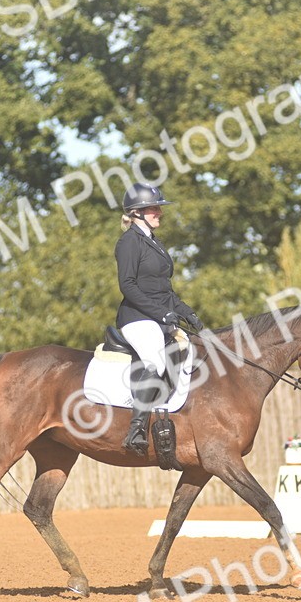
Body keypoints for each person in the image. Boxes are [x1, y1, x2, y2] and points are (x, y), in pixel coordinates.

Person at [115, 182, 204, 456]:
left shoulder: (155, 243)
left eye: (158, 208)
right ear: (138, 212)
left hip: (158, 316)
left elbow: (164, 289)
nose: (159, 213)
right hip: (137, 319)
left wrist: (186, 311)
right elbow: (128, 285)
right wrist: (161, 313)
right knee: (155, 360)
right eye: (154, 208)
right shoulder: (129, 241)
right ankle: (137, 430)